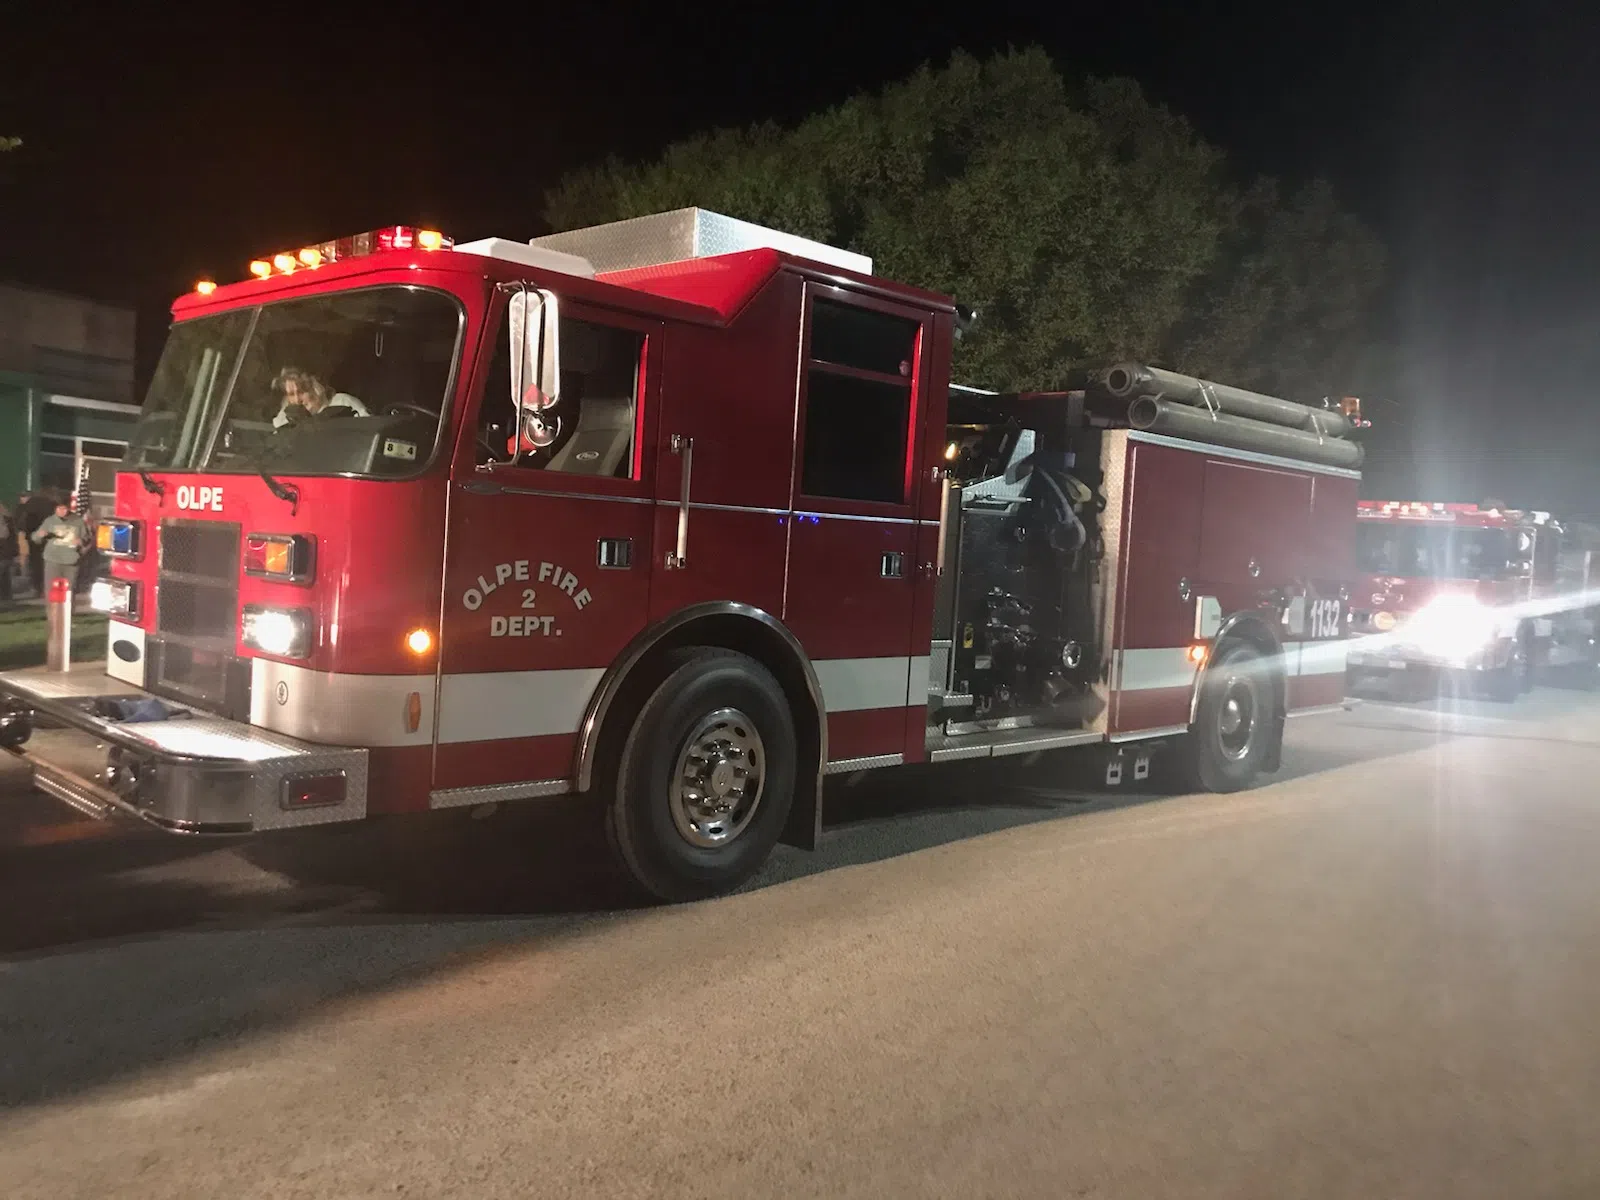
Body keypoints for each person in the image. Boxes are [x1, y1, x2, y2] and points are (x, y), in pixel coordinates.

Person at [271, 367, 370, 428]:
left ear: (316, 387)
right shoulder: (286, 418)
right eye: (292, 394)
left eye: (302, 392)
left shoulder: (343, 403)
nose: (297, 400)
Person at [30, 496, 88, 595]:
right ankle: (52, 610)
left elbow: (87, 538)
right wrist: (39, 535)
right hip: (53, 560)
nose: (61, 511)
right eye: (58, 509)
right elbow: (35, 538)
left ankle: (68, 610)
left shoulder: (78, 521)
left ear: (68, 509)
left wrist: (81, 541)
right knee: (52, 590)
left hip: (71, 560)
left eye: (64, 509)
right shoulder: (50, 521)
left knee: (69, 591)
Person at [0, 501, 16, 606]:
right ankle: (6, 596)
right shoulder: (7, 516)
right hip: (6, 549)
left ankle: (5, 596)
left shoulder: (4, 518)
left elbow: (4, 534)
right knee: (5, 573)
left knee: (3, 572)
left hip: (3, 548)